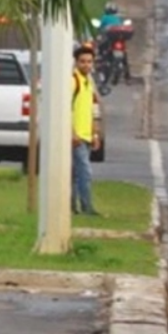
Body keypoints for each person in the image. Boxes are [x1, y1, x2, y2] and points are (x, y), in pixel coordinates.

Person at [72, 45, 102, 216]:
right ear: (76, 62)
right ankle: (87, 207)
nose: (86, 65)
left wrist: (95, 133)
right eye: (82, 62)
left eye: (89, 62)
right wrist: (72, 133)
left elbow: (92, 109)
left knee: (77, 175)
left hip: (86, 135)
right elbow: (67, 109)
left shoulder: (88, 82)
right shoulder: (73, 81)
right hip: (76, 137)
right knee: (85, 172)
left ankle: (74, 206)